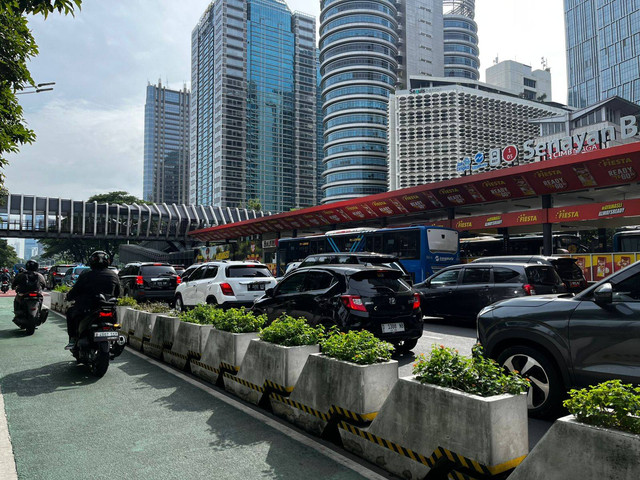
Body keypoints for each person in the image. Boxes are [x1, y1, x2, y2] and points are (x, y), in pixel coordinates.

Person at [65, 251, 121, 350]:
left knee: (70, 312)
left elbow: (75, 290)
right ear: (107, 261)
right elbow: (118, 293)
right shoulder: (113, 275)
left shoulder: (86, 275)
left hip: (87, 308)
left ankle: (73, 339)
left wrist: (69, 297)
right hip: (109, 308)